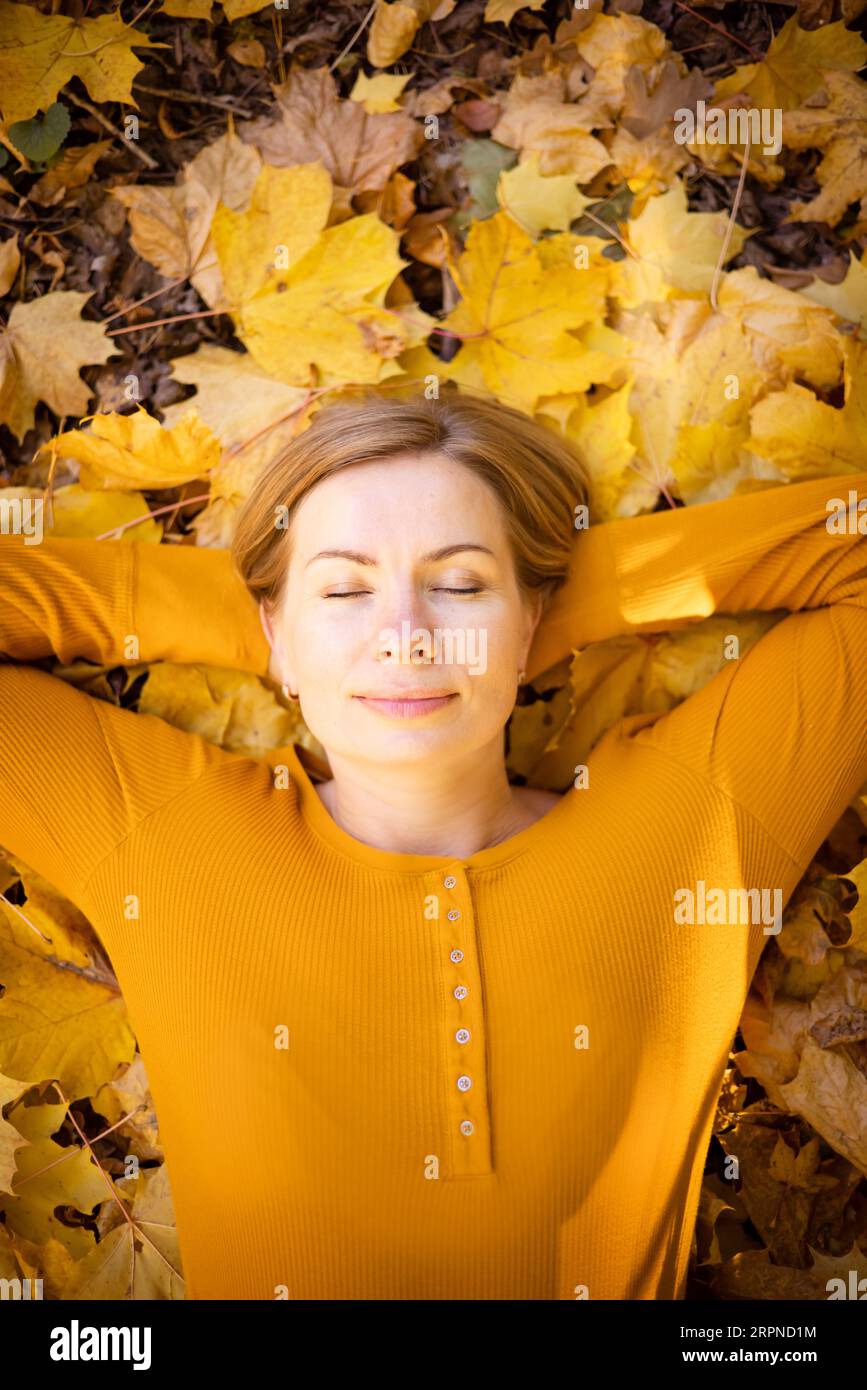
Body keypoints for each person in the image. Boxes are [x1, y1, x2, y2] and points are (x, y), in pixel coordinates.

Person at [1, 389, 865, 1301]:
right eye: (345, 588)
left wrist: (560, 597)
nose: (405, 637)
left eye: (458, 586)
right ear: (272, 633)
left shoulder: (690, 826)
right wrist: (281, 628)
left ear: (532, 618)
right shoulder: (166, 837)